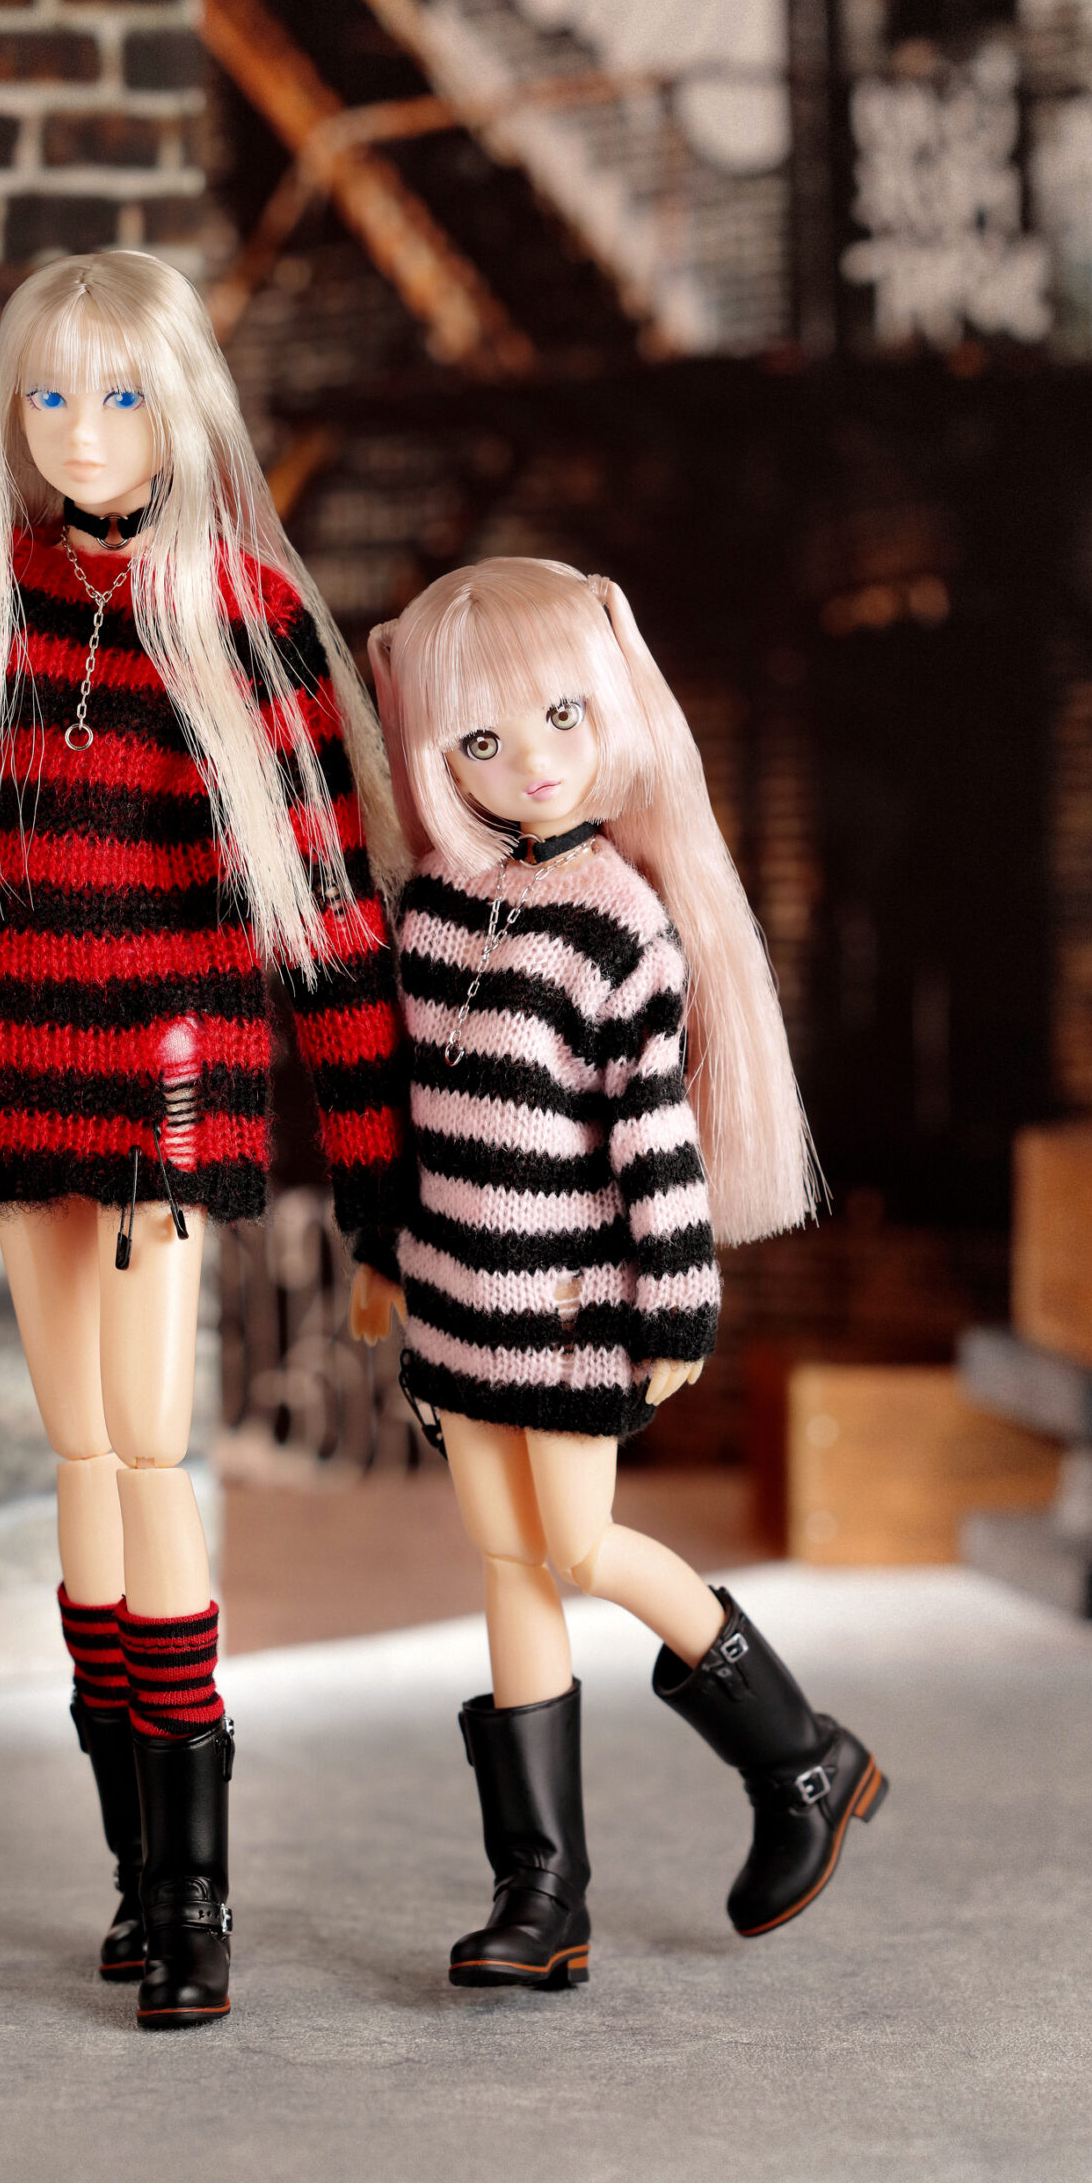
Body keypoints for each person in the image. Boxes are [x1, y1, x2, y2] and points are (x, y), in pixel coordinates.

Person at [0, 250, 407, 2028]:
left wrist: (379, 1176)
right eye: (48, 395)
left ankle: (191, 1891)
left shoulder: (237, 615)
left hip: (167, 1086)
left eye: (117, 395)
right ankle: (131, 1871)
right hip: (8, 1081)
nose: (82, 432)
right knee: (82, 1459)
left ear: (181, 410)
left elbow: (330, 920)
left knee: (145, 1454)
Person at [365, 555, 885, 1988]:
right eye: (481, 739)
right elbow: (413, 1123)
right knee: (504, 1558)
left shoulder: (618, 922)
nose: (531, 764)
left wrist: (676, 1300)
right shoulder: (429, 911)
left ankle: (800, 1757)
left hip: (568, 1305)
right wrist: (381, 1259)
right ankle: (542, 1891)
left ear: (613, 708)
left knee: (583, 1548)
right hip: (454, 1299)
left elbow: (650, 1133)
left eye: (561, 719)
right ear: (437, 754)